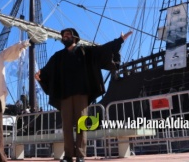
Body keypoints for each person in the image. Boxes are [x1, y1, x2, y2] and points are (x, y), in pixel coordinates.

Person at [35, 28, 132, 162]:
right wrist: (40, 74)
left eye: (68, 35)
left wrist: (120, 40)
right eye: (63, 35)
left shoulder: (85, 51)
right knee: (66, 126)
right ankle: (68, 155)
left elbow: (102, 50)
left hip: (81, 93)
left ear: (74, 37)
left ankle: (80, 155)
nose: (65, 37)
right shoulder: (57, 57)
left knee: (81, 124)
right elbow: (46, 71)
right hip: (64, 94)